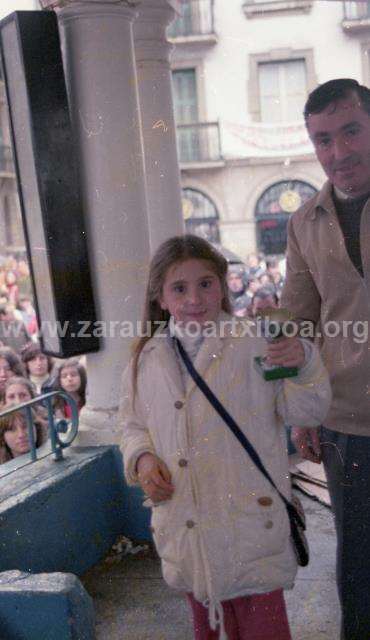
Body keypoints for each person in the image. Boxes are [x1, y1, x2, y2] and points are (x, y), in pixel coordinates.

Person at [119, 234, 331, 640]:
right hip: (189, 532)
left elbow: (306, 411)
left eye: (206, 284)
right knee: (208, 629)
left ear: (223, 285)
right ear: (160, 298)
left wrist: (303, 362)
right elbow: (131, 424)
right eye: (179, 288)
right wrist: (143, 458)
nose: (194, 298)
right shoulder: (145, 359)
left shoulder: (257, 342)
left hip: (250, 533)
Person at [280, 78, 370, 640]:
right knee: (359, 561)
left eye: (352, 131)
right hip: (346, 423)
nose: (338, 152)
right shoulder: (304, 221)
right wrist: (301, 410)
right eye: (322, 140)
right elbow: (297, 323)